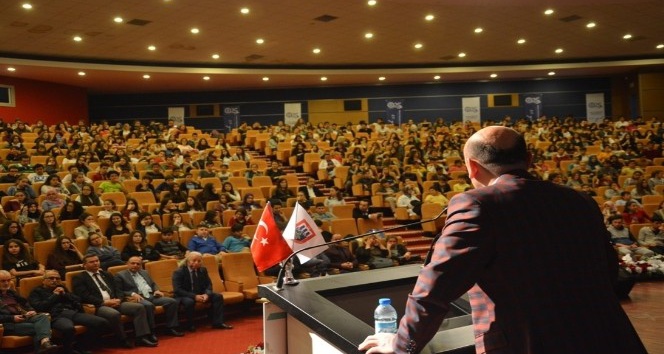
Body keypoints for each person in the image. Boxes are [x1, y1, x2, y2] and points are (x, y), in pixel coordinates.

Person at [359, 126, 646, 354]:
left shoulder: (477, 205)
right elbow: (609, 273)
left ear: (471, 167)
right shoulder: (580, 200)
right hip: (610, 337)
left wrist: (400, 346)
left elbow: (433, 289)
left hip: (532, 344)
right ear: (529, 160)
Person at [72, 254, 155, 348]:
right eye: (92, 262)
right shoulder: (79, 277)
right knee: (113, 314)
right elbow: (84, 296)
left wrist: (119, 299)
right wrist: (104, 302)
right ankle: (122, 339)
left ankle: (142, 337)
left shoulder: (106, 274)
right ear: (84, 265)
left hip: (116, 302)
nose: (95, 263)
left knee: (139, 307)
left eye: (97, 261)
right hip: (99, 305)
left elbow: (118, 289)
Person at [29, 270, 110, 354]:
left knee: (102, 322)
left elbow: (78, 299)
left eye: (57, 278)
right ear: (43, 280)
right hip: (55, 316)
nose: (54, 280)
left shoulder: (62, 287)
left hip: (71, 312)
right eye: (51, 278)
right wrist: (54, 295)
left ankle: (81, 346)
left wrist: (65, 294)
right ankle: (68, 350)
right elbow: (39, 307)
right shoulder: (36, 291)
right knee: (68, 328)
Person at [114, 256, 184, 337]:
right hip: (137, 297)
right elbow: (119, 291)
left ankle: (171, 327)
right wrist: (132, 294)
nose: (135, 265)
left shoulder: (144, 272)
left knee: (172, 302)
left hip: (151, 295)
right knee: (148, 305)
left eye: (138, 264)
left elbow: (153, 284)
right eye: (132, 263)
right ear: (127, 264)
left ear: (140, 265)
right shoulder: (120, 275)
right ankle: (151, 331)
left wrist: (157, 290)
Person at [0, 270, 60, 354]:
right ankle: (45, 344)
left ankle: (45, 343)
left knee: (43, 316)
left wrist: (30, 310)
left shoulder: (11, 292)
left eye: (8, 280)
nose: (6, 283)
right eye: (3, 281)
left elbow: (25, 302)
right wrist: (12, 318)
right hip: (7, 324)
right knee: (40, 329)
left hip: (21, 318)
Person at [172, 251, 233, 331]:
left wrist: (207, 294)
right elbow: (177, 289)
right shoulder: (179, 272)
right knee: (189, 302)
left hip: (200, 293)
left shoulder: (203, 270)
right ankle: (190, 325)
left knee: (218, 297)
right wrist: (194, 296)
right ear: (188, 261)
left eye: (199, 261)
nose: (197, 263)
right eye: (194, 260)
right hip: (185, 295)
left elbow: (209, 284)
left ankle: (218, 323)